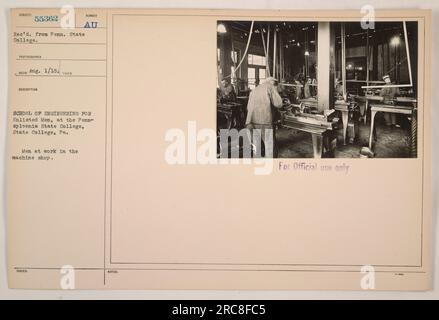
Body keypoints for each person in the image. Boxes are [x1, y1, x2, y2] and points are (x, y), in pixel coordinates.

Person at [245, 77, 283, 157]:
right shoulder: (270, 87)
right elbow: (279, 104)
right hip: (265, 122)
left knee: (256, 147)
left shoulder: (254, 90)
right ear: (273, 83)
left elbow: (248, 107)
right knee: (269, 147)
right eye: (276, 85)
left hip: (251, 122)